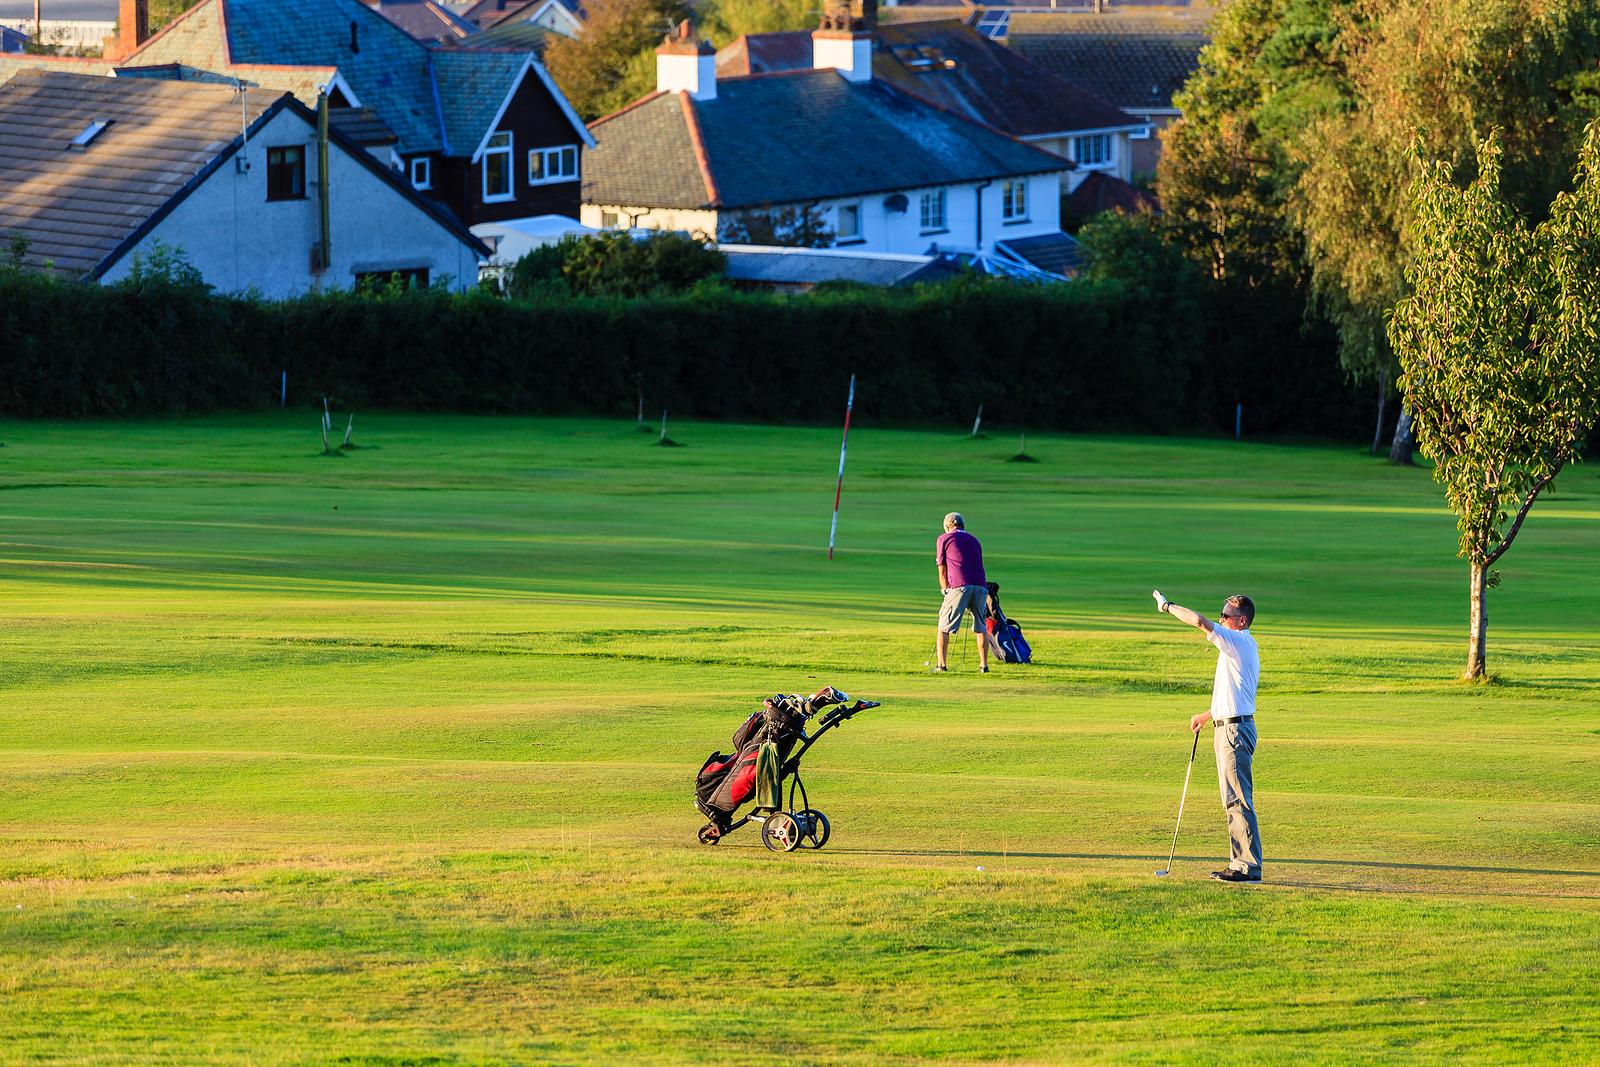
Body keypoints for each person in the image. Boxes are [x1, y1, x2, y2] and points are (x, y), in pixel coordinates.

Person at [1152, 590, 1262, 882]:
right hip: (1231, 724)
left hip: (1234, 731)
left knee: (1237, 799)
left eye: (1226, 616)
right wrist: (1207, 715)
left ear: (1241, 621)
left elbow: (1199, 622)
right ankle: (1240, 862)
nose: (1221, 619)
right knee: (1233, 798)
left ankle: (1247, 866)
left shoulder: (1237, 640)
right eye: (1221, 614)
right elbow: (1235, 695)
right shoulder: (1240, 646)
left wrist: (1167, 606)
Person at [935, 513, 988, 672]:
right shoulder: (975, 540)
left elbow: (942, 569)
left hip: (958, 586)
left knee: (943, 626)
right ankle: (983, 666)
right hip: (980, 587)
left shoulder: (944, 539)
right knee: (981, 627)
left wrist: (945, 590)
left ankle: (941, 665)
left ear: (947, 526)